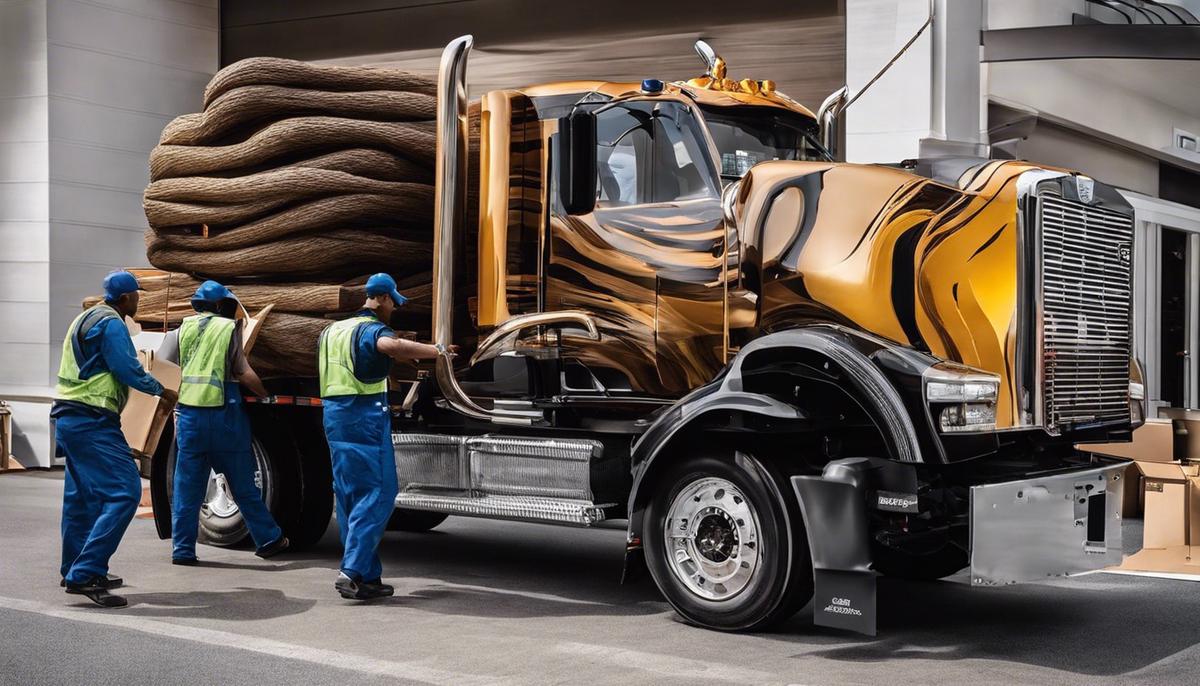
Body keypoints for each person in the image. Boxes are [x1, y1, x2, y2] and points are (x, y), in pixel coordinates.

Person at [319, 273, 446, 600]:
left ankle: (367, 578)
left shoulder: (332, 330)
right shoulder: (372, 329)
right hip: (364, 417)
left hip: (335, 416)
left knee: (349, 495)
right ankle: (351, 570)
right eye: (393, 303)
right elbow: (388, 344)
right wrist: (437, 350)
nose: (393, 309)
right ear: (385, 299)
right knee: (378, 491)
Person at [52, 270, 172, 608]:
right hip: (92, 420)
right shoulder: (112, 324)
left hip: (69, 418)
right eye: (136, 295)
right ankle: (85, 573)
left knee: (81, 499)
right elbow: (127, 369)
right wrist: (161, 391)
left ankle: (72, 567)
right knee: (125, 492)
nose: (139, 300)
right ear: (125, 299)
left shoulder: (85, 318)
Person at [159, 281, 289, 565]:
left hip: (189, 419)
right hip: (225, 418)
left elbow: (162, 370)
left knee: (187, 488)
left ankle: (182, 550)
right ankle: (268, 539)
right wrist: (265, 395)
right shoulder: (228, 329)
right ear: (220, 305)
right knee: (242, 484)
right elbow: (242, 371)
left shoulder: (179, 332)